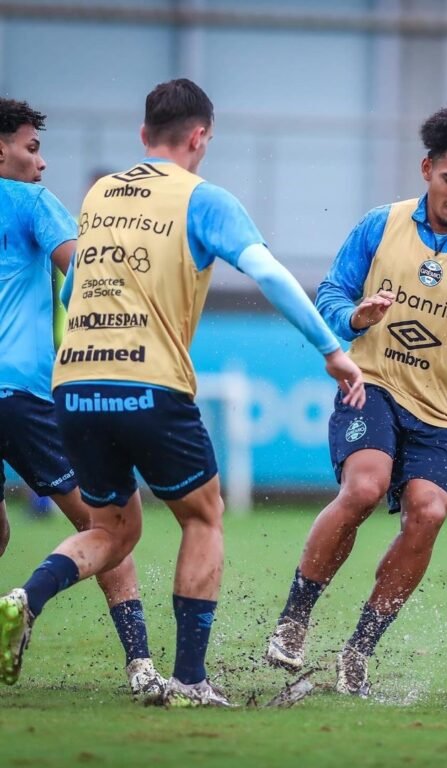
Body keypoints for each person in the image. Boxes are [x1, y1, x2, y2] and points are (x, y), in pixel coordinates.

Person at [0, 79, 365, 708]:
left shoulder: (99, 193)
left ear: (144, 136)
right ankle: (191, 679)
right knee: (203, 515)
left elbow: (72, 290)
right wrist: (332, 348)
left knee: (114, 527)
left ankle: (22, 599)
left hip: (74, 385)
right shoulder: (205, 199)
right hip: (148, 383)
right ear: (201, 138)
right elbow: (269, 273)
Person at [266, 104, 447, 695]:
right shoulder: (381, 224)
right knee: (366, 487)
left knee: (428, 512)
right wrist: (353, 315)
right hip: (370, 384)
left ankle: (359, 648)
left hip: (443, 413)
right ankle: (294, 621)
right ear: (427, 168)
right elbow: (332, 292)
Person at [0, 98, 164, 700]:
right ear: (1, 150)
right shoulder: (34, 204)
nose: (41, 164)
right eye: (32, 148)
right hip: (18, 393)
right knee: (109, 528)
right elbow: (86, 275)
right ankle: (143, 666)